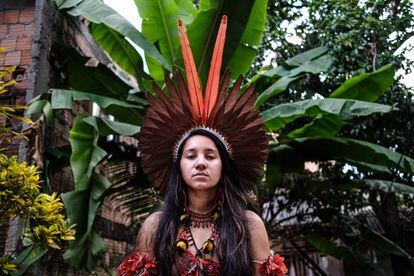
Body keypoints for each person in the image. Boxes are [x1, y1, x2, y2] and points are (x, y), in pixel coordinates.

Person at [118, 15, 287, 276]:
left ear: (223, 166)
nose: (200, 162)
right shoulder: (155, 227)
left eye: (210, 156)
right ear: (179, 166)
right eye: (191, 156)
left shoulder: (249, 226)